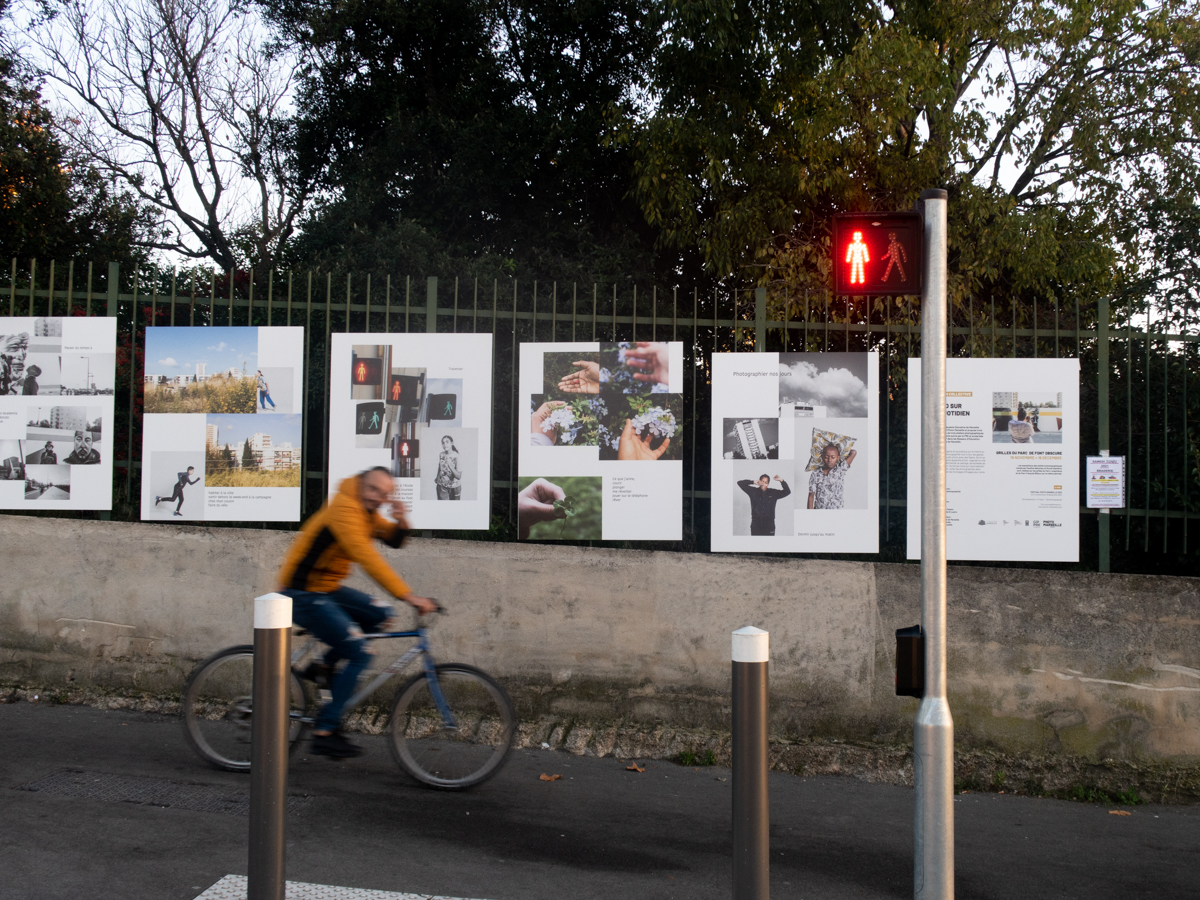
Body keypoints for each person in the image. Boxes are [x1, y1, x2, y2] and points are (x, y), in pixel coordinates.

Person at [278, 467, 437, 758]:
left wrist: (401, 518)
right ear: (362, 484)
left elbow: (392, 538)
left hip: (324, 588)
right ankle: (325, 730)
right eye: (374, 489)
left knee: (380, 614)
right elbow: (368, 559)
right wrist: (409, 596)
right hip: (301, 593)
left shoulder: (366, 512)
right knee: (362, 653)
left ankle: (325, 666)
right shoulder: (345, 508)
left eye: (385, 494)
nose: (378, 497)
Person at [807, 443, 856, 509]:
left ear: (838, 458)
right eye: (827, 457)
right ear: (822, 457)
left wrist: (842, 449)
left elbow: (853, 452)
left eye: (833, 457)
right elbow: (811, 496)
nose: (829, 460)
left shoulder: (840, 469)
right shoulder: (815, 473)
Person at [434, 435, 462, 500]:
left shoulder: (457, 456)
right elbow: (440, 466)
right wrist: (437, 477)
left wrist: (450, 466)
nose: (445, 444)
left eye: (447, 442)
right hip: (442, 486)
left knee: (454, 508)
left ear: (452, 443)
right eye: (443, 443)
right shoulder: (441, 454)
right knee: (443, 507)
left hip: (455, 487)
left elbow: (459, 476)